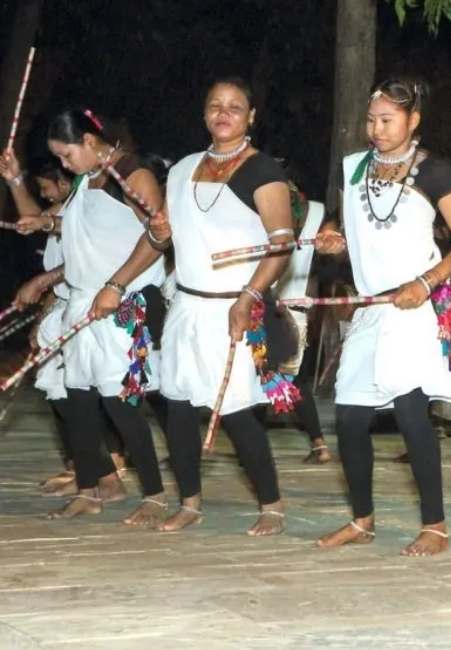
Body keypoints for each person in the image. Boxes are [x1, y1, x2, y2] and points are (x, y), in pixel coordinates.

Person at [100, 78, 296, 536]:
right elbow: (158, 239)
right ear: (204, 113)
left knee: (236, 411)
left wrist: (250, 296)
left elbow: (281, 245)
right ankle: (189, 501)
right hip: (186, 306)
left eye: (234, 107)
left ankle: (271, 503)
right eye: (215, 106)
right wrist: (117, 283)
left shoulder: (264, 171)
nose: (223, 114)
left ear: (251, 117)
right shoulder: (184, 168)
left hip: (236, 308)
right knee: (179, 408)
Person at [313, 77, 451, 555]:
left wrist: (425, 283)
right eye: (371, 120)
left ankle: (435, 526)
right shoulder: (352, 169)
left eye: (387, 120)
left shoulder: (436, 172)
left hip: (414, 307)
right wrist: (333, 241)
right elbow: (349, 230)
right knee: (348, 418)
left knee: (410, 414)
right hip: (370, 309)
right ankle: (362, 520)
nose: (376, 129)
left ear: (413, 120)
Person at [5, 109, 168, 525]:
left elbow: (159, 236)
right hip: (83, 301)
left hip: (122, 303)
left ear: (92, 143)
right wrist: (31, 204)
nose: (64, 165)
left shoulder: (132, 174)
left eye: (67, 155)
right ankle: (89, 491)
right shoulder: (84, 180)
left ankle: (155, 495)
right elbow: (71, 228)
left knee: (120, 405)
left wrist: (115, 286)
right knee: (77, 399)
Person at [276, 179, 332, 464]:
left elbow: (320, 267)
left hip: (289, 306)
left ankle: (319, 444)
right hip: (285, 306)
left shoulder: (315, 217)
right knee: (292, 380)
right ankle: (319, 444)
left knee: (290, 379)